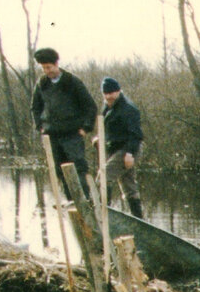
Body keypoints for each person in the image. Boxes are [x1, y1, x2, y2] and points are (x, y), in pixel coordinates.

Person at [30, 48, 97, 199]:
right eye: (43, 68)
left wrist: (86, 128)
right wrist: (40, 126)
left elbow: (90, 106)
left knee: (78, 169)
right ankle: (71, 202)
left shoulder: (71, 82)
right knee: (59, 171)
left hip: (72, 134)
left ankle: (85, 203)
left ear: (56, 64)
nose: (47, 71)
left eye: (49, 67)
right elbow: (35, 107)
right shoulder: (42, 84)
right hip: (52, 135)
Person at [98, 77, 144, 218]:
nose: (108, 96)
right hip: (115, 149)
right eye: (105, 93)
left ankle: (102, 215)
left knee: (103, 177)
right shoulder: (107, 107)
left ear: (119, 91)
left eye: (112, 93)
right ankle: (139, 220)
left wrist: (129, 154)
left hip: (128, 149)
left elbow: (136, 135)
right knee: (129, 186)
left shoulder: (128, 108)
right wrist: (100, 139)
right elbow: (112, 130)